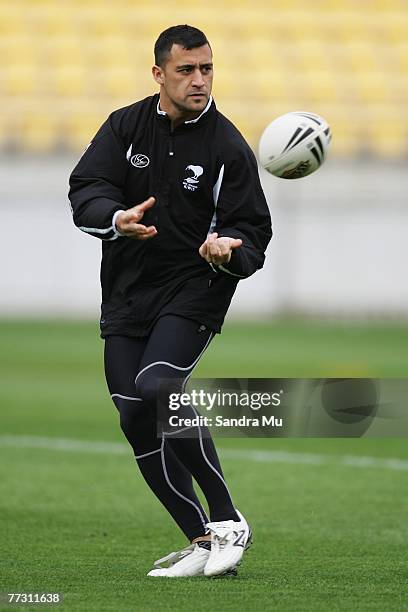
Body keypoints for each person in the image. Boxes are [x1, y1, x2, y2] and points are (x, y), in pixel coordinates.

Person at [68, 24, 272, 578]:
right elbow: (84, 187)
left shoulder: (228, 145)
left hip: (195, 285)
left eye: (207, 68)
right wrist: (115, 218)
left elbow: (253, 231)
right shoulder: (125, 125)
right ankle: (203, 539)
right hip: (129, 288)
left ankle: (229, 519)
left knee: (158, 387)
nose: (199, 80)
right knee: (135, 416)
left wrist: (229, 251)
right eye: (186, 70)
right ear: (159, 73)